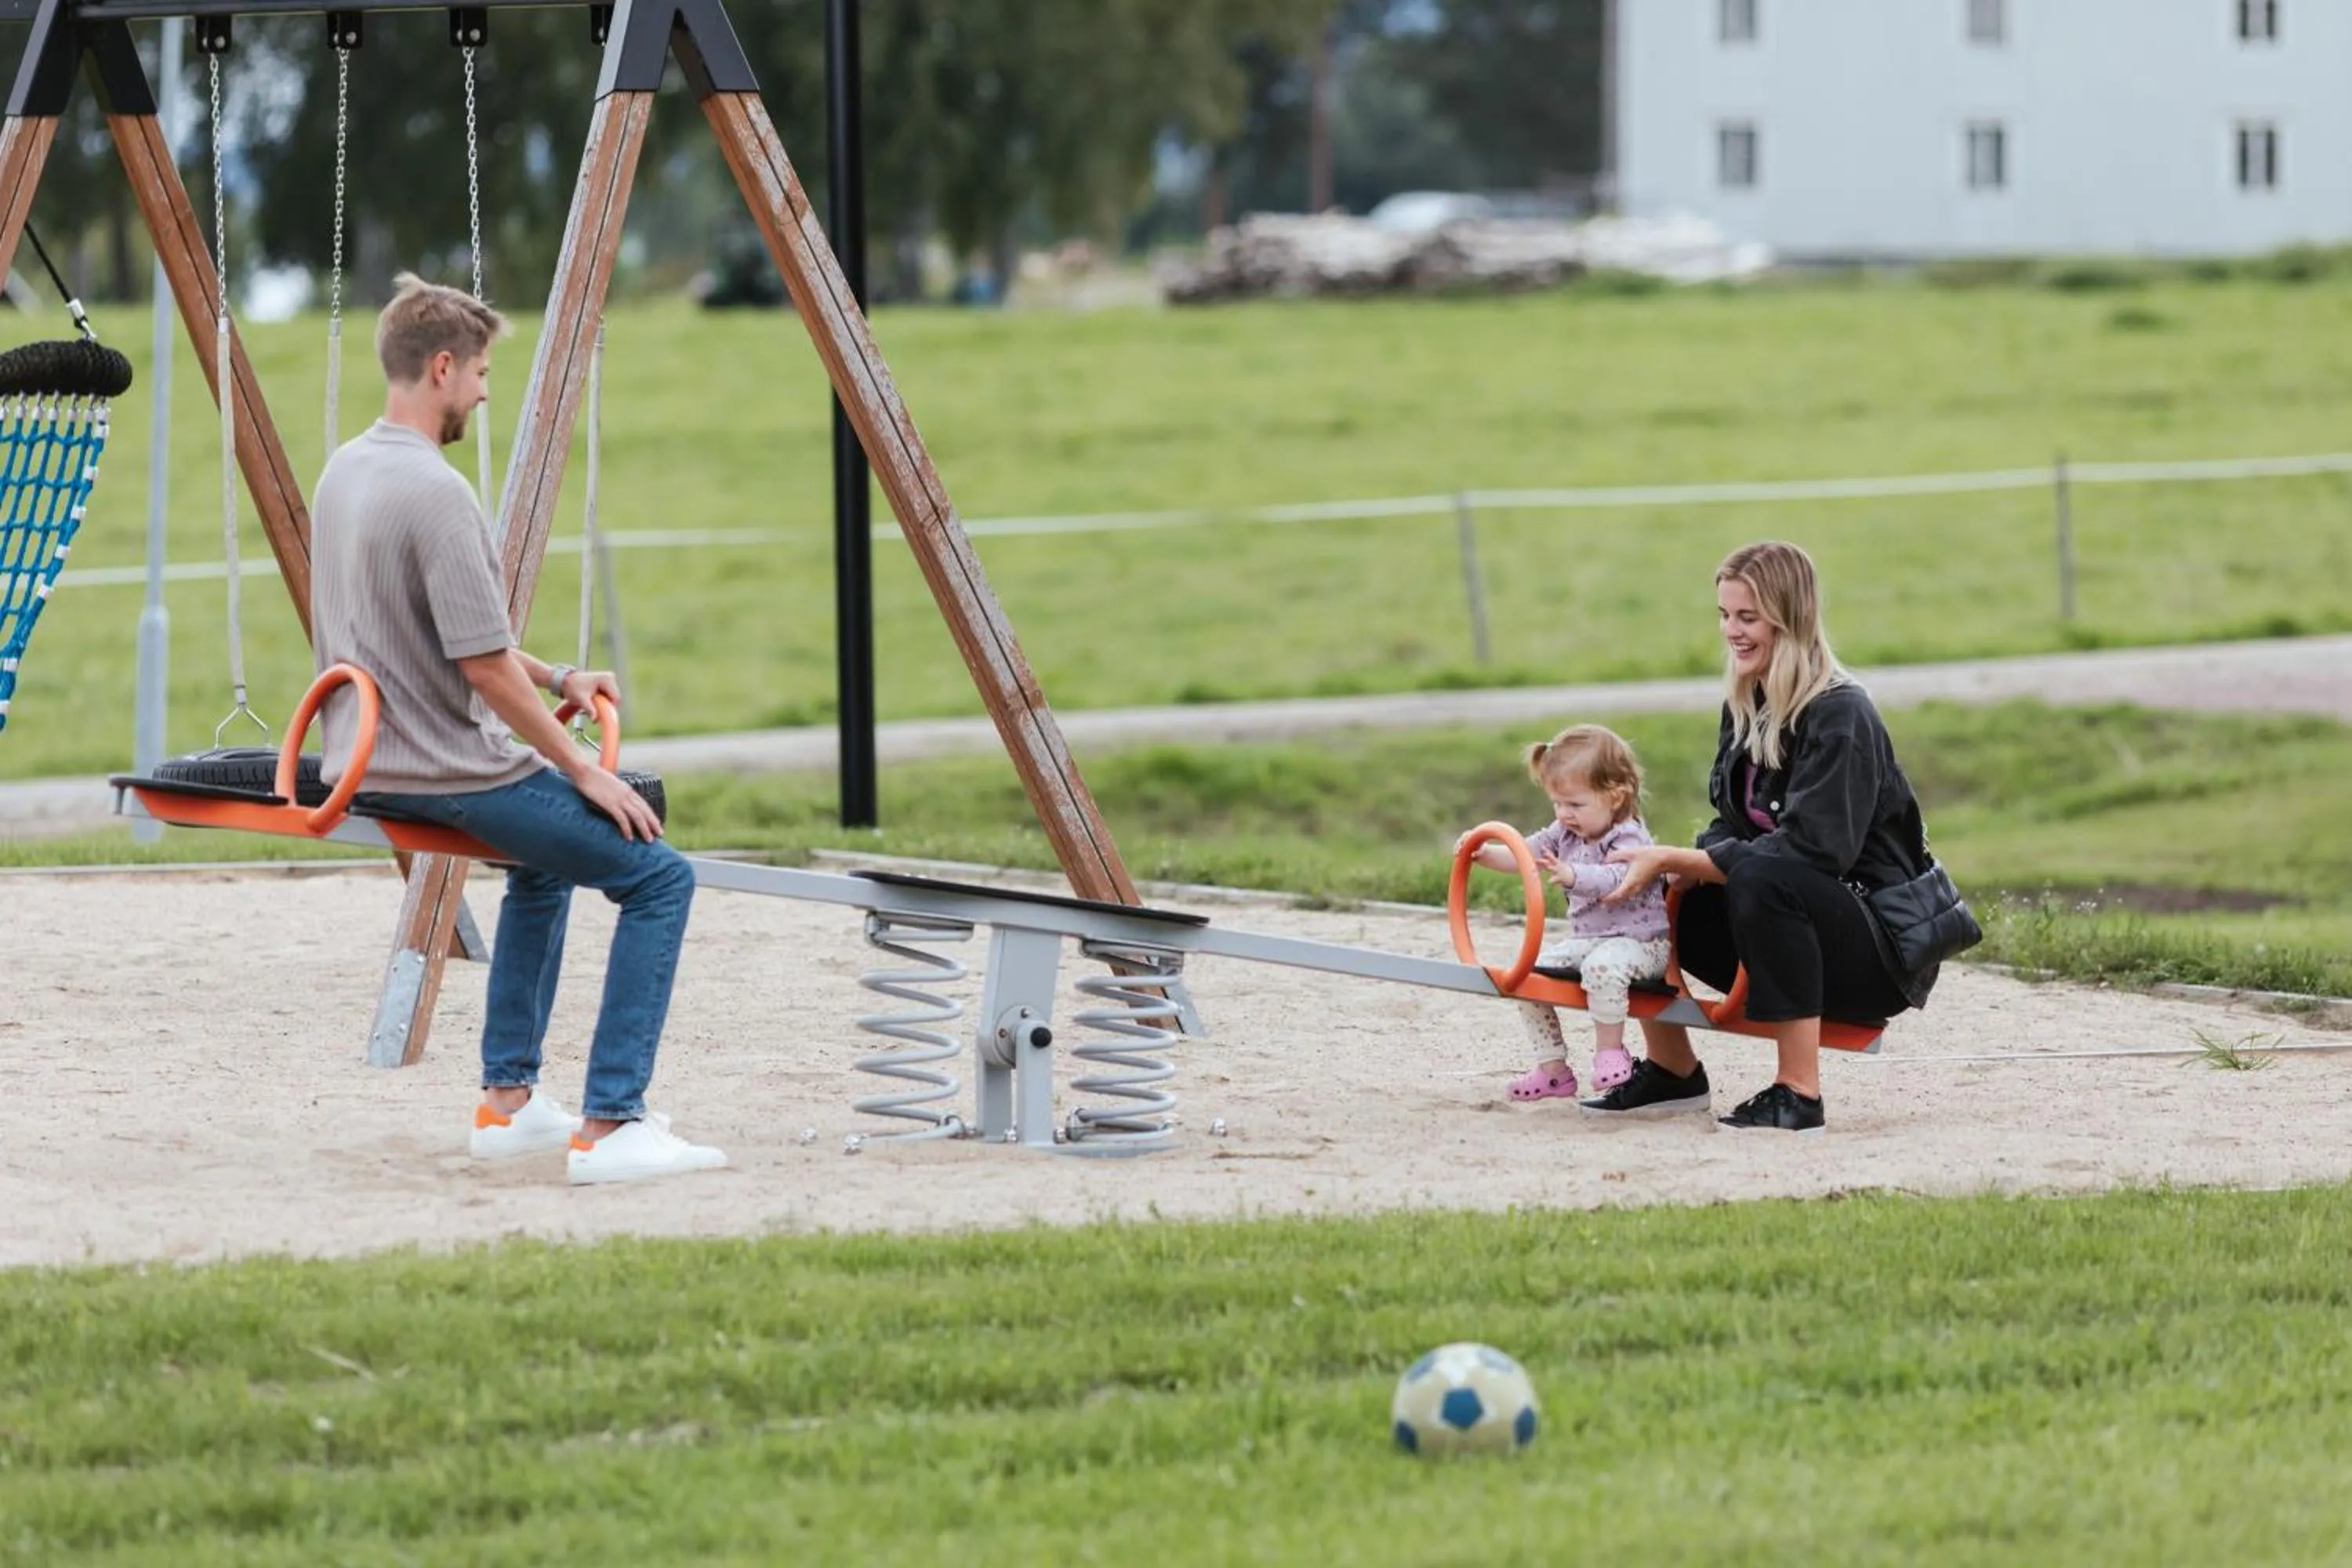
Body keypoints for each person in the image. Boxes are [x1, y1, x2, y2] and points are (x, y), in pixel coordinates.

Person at [310, 273, 726, 1186]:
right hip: (441, 766)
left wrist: (563, 677)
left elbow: (459, 638)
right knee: (659, 876)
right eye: (484, 373)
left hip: (364, 753)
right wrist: (582, 767)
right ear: (444, 368)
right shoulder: (439, 493)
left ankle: (511, 1103)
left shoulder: (347, 469)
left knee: (542, 866)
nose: (488, 391)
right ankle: (615, 1121)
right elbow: (484, 670)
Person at [1581, 540, 1945, 1134]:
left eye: (1747, 617)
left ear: (1789, 616)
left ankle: (1799, 1093)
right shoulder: (1748, 699)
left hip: (1876, 950)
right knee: (1662, 883)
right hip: (1788, 922)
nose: (1732, 630)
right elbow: (1732, 822)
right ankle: (1674, 1072)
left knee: (1760, 872)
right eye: (1725, 615)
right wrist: (1676, 866)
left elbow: (1815, 851)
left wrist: (1690, 858)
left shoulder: (1841, 712)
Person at [1459, 724, 1671, 1103]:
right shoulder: (1565, 832)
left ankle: (1610, 1052)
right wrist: (1486, 854)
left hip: (1641, 946)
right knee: (1526, 975)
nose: (1564, 814)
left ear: (1615, 794)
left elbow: (1619, 878)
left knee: (1601, 970)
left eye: (1575, 804)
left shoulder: (1628, 836)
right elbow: (1526, 853)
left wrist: (1574, 875)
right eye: (1557, 803)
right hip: (1589, 942)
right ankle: (1553, 1069)